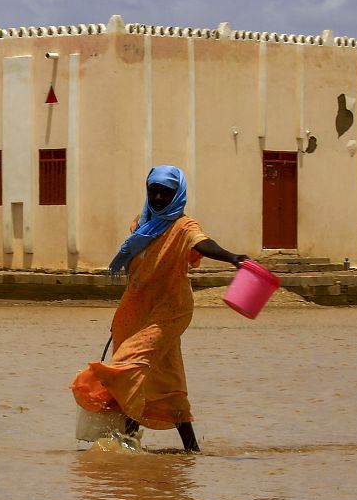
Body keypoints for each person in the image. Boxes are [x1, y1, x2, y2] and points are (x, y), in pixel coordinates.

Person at [71, 165, 249, 452]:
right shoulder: (140, 225)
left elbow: (202, 244)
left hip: (170, 311)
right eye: (152, 191)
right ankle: (190, 450)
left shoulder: (183, 226)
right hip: (138, 309)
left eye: (164, 192)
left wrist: (232, 257)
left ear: (176, 194)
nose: (156, 197)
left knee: (128, 363)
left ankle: (127, 443)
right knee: (166, 377)